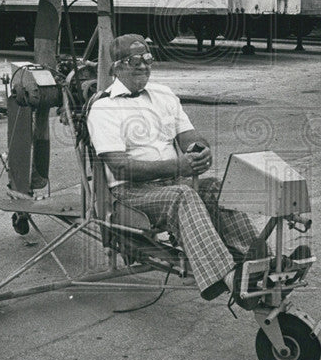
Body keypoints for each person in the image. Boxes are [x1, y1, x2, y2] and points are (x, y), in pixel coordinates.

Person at [86, 33, 258, 304]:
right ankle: (225, 276)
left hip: (172, 183)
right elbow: (119, 168)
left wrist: (199, 150)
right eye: (134, 61)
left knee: (215, 187)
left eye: (147, 59)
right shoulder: (104, 108)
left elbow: (188, 135)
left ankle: (258, 261)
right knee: (182, 196)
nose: (143, 66)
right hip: (131, 193)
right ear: (117, 67)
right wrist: (177, 166)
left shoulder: (164, 95)